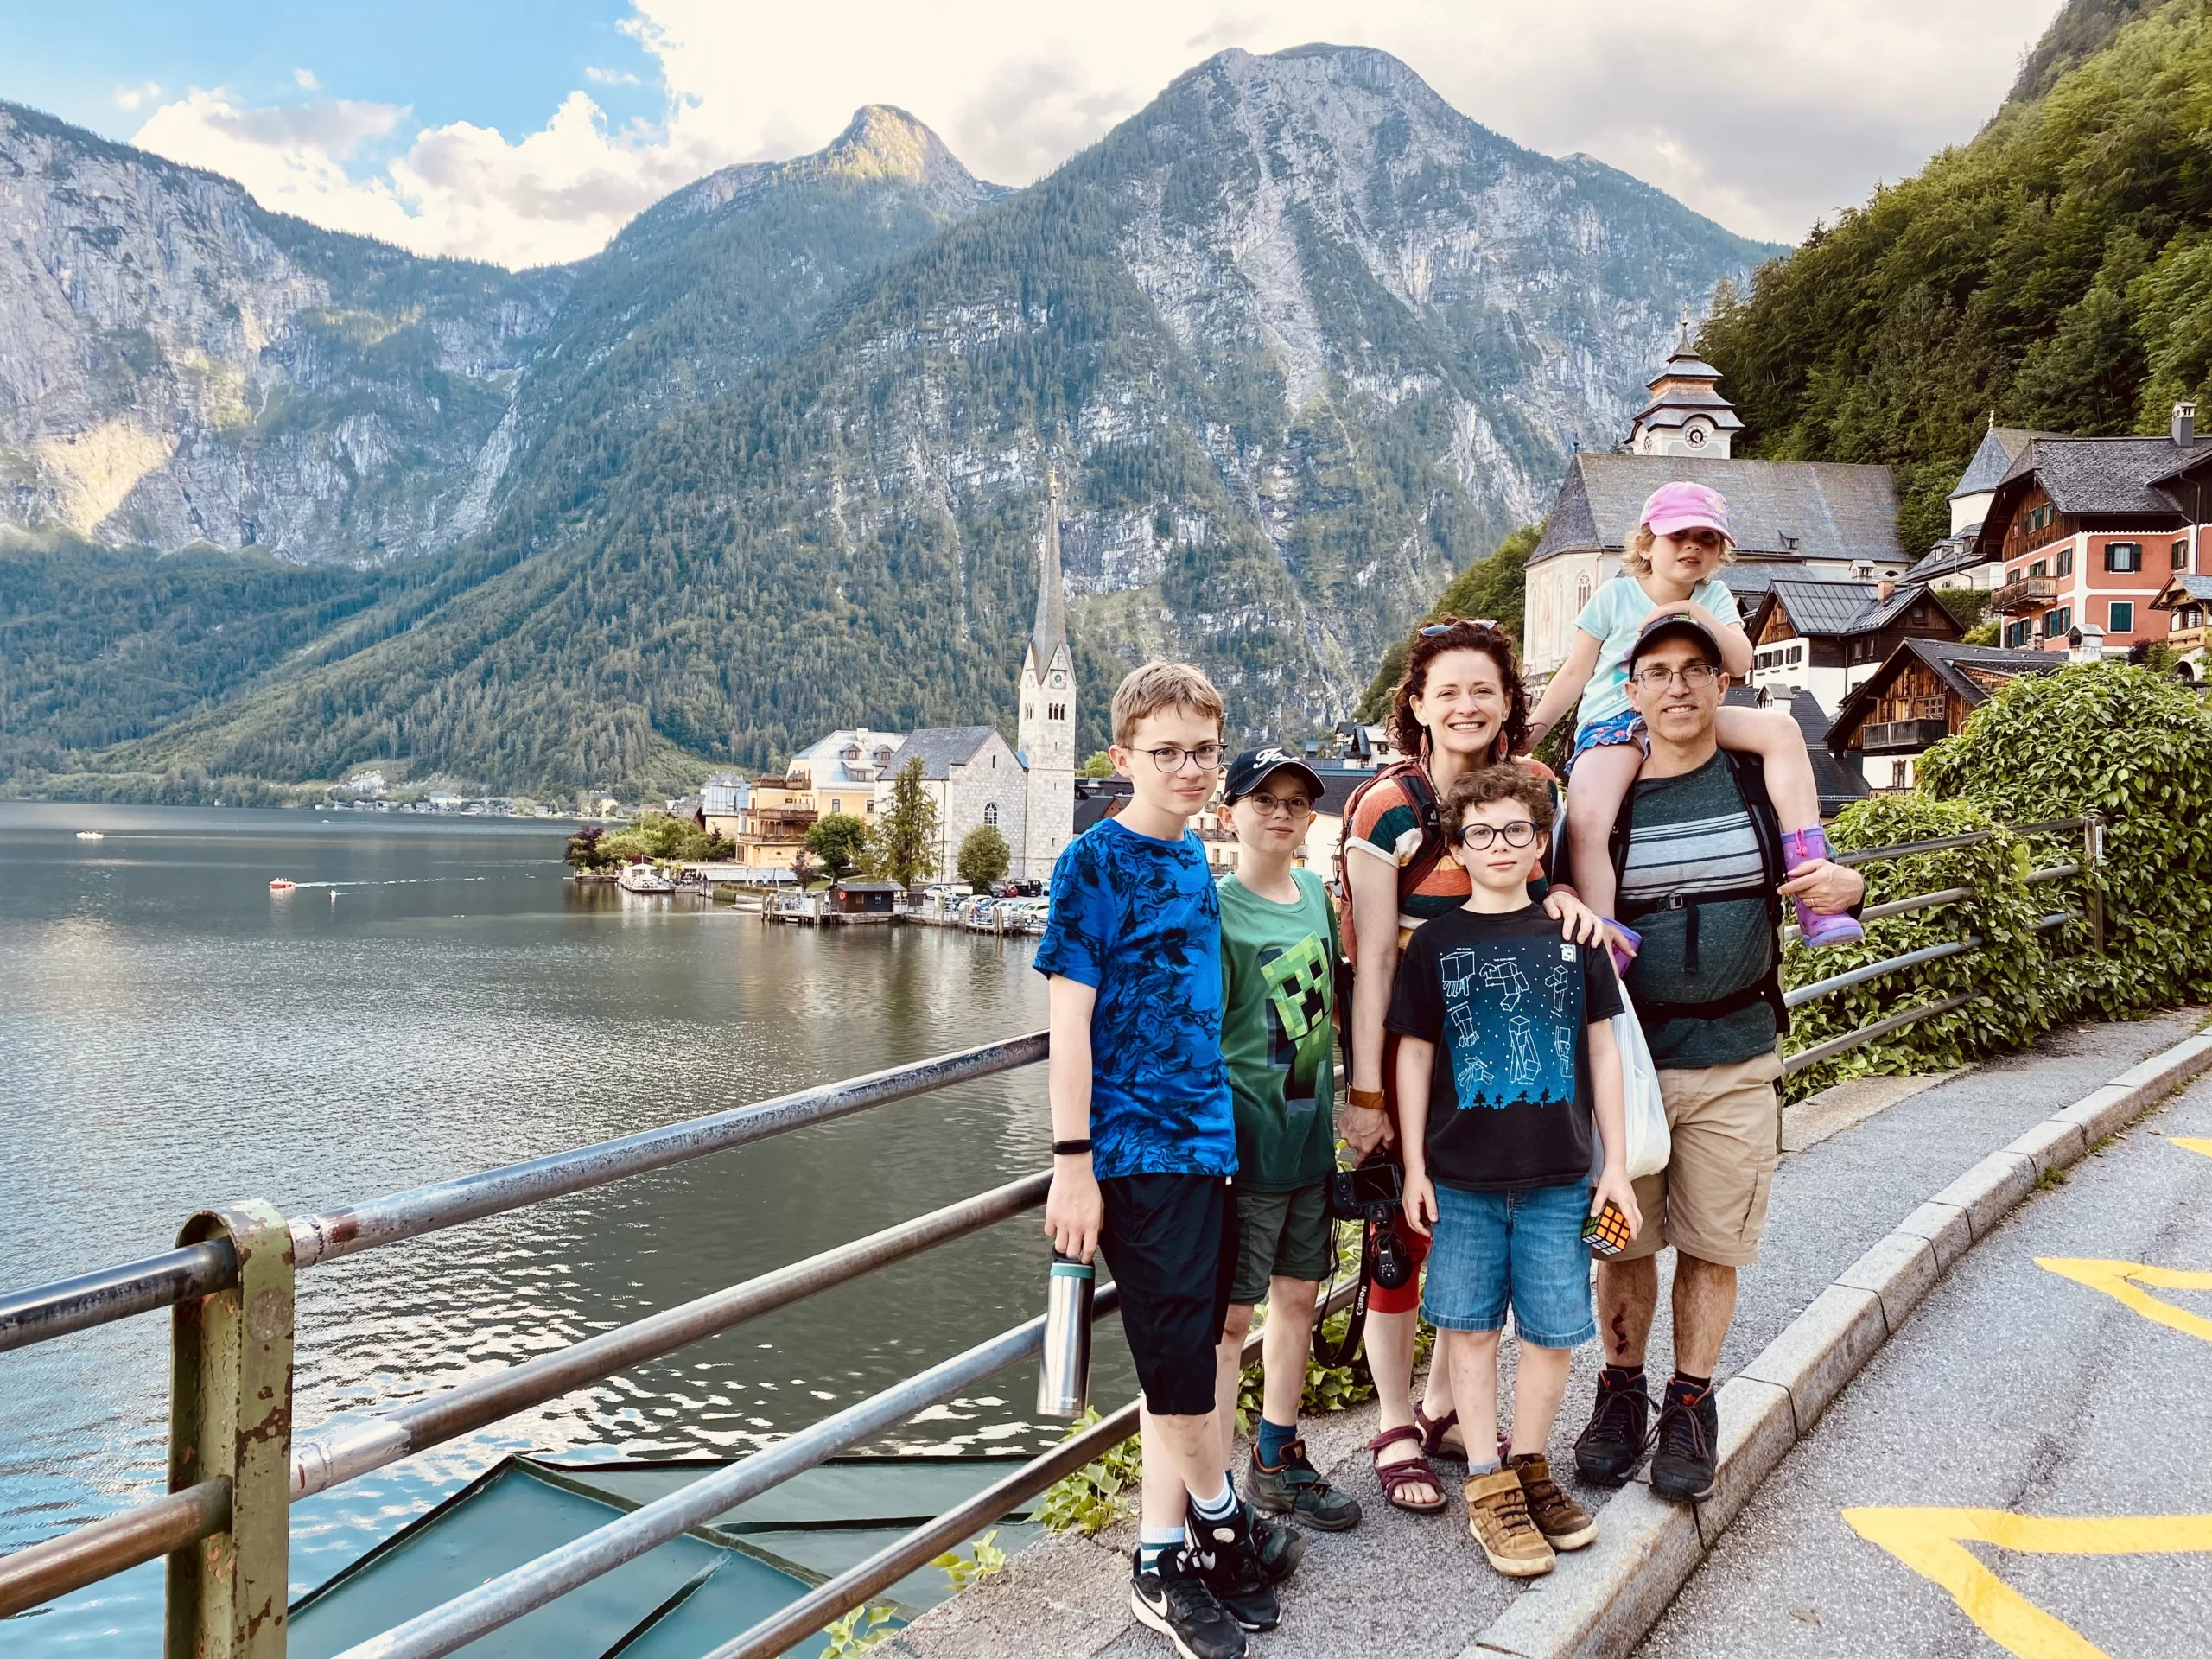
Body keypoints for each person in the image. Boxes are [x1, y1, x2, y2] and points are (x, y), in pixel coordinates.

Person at [1567, 613, 1865, 1504]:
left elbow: (1826, 877)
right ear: (1631, 694)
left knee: (1711, 1245)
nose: (1676, 687)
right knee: (1622, 1245)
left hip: (1736, 1051)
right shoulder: (1608, 794)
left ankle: (1688, 1403)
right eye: (1654, 673)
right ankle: (1619, 1392)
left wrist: (1851, 884)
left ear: (1719, 681)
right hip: (1631, 1064)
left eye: (1692, 670)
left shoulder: (1753, 777)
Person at [1339, 617, 1601, 1516]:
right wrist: (1365, 1093)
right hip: (1413, 1049)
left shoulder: (1535, 786)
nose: (1464, 705)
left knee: (1468, 1243)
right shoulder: (1387, 805)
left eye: (1481, 689)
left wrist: (1563, 892)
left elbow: (1547, 886)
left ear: (1506, 702)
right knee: (1401, 1247)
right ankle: (1392, 1423)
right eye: (1445, 690)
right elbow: (1373, 958)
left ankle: (1451, 1409)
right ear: (1415, 704)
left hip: (1507, 1056)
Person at [1037, 661, 1271, 1659]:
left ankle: (1167, 1551)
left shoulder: (1191, 863)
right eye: (1166, 751)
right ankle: (1220, 1524)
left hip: (1207, 1140)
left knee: (1198, 1353)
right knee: (1178, 1370)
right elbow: (1068, 1024)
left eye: (1203, 752)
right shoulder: (1091, 863)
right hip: (1135, 1151)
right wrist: (1073, 1162)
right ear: (1121, 754)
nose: (1188, 768)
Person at [1390, 765, 1639, 1575]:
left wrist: (1617, 1169)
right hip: (1459, 1177)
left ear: (1541, 845)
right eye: (1481, 833)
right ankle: (1490, 1486)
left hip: (1559, 1173)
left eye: (1518, 832)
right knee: (1466, 1328)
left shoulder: (1573, 937)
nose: (1500, 846)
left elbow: (1604, 1052)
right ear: (1457, 847)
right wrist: (1414, 1167)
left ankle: (1530, 1463)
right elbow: (1416, 1056)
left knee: (1555, 1332)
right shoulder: (1434, 944)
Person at [1523, 481, 1862, 959]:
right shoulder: (1614, 596)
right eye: (1677, 535)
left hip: (1690, 712)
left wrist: (1692, 610)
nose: (1692, 546)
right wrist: (1532, 733)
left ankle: (1811, 883)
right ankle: (1605, 941)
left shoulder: (1714, 596)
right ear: (1647, 543)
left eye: (1706, 539)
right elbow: (1576, 672)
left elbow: (1740, 662)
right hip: (1615, 721)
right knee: (1588, 820)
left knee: (1782, 730)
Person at [1210, 747, 1362, 1535]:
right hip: (1245, 1149)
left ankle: (1275, 1455)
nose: (1280, 813)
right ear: (1231, 809)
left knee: (1299, 1297)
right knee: (1231, 1320)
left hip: (1308, 1144)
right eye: (1262, 799)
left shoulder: (1311, 892)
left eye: (1297, 802)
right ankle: (1211, 1490)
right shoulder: (1216, 909)